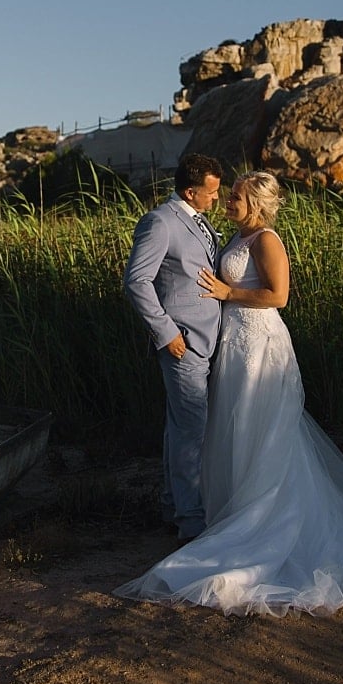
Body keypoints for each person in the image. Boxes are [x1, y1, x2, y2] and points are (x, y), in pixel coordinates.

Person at [116, 171, 343, 616]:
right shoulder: (236, 236)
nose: (228, 202)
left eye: (236, 197)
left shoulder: (267, 239)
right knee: (233, 425)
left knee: (261, 426)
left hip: (259, 343)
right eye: (228, 195)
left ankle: (262, 516)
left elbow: (278, 296)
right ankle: (229, 510)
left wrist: (229, 292)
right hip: (232, 342)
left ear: (256, 203)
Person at [122, 153, 226, 542]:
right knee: (190, 434)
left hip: (205, 338)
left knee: (180, 429)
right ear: (190, 191)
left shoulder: (198, 219)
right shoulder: (160, 222)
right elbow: (137, 281)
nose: (216, 198)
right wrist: (166, 332)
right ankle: (191, 525)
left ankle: (174, 507)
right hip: (183, 342)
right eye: (211, 192)